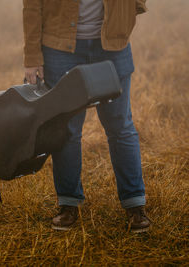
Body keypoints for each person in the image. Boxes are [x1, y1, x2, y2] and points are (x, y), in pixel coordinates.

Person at [23, 0, 150, 233]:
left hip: (112, 44)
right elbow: (32, 4)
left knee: (120, 126)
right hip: (60, 48)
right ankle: (68, 203)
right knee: (67, 130)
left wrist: (130, 12)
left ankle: (135, 204)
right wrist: (32, 56)